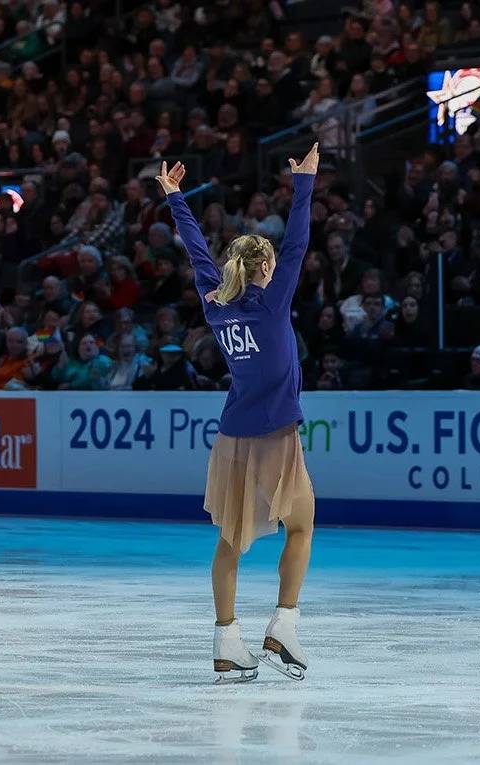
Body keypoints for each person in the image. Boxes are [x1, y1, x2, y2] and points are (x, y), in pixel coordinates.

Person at [159, 147, 318, 684]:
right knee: (301, 526)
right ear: (266, 267)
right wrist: (304, 184)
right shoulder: (272, 302)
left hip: (232, 438)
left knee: (229, 542)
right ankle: (284, 625)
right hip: (275, 436)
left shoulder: (214, 302)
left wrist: (176, 197)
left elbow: (196, 252)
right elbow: (298, 242)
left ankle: (226, 641)